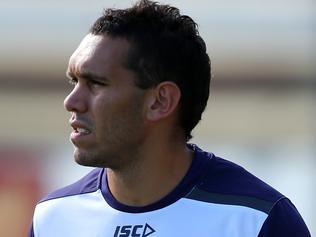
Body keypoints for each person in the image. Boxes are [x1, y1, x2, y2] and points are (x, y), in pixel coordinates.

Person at [29, 0, 311, 236]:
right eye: (73, 82)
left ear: (160, 101)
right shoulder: (52, 218)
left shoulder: (257, 219)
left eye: (96, 84)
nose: (72, 102)